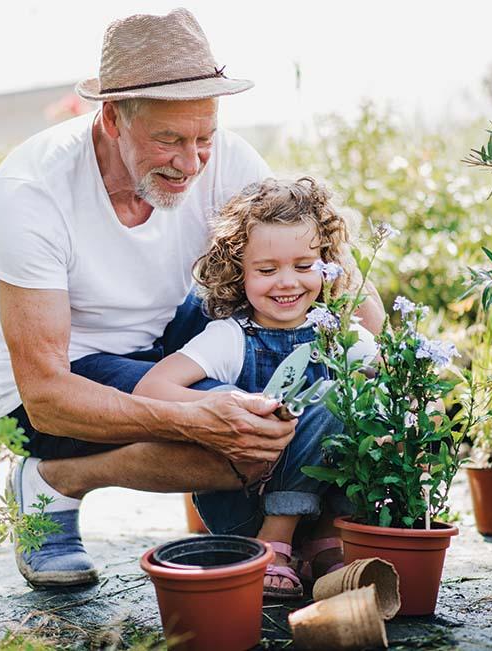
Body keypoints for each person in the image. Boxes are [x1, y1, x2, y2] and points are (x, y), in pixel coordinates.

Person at [0, 9, 385, 588]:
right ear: (113, 117)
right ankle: (56, 480)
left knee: (286, 411)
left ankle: (312, 535)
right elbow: (44, 396)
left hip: (167, 344)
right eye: (168, 140)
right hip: (61, 381)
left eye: (203, 139)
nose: (190, 163)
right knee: (242, 440)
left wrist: (366, 343)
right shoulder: (31, 193)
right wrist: (196, 417)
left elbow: (312, 257)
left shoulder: (227, 159)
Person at [133, 177, 377, 598]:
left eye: (305, 266)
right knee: (329, 403)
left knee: (365, 406)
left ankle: (320, 541)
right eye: (266, 270)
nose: (287, 282)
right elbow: (151, 388)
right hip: (243, 505)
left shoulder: (337, 334)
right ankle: (273, 542)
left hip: (321, 510)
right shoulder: (231, 336)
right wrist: (221, 402)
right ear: (237, 270)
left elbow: (386, 361)